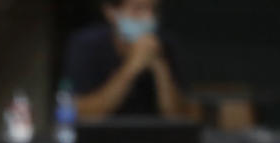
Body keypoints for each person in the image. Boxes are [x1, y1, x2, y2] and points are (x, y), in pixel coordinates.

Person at [64, 0, 192, 120]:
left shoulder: (166, 45)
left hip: (153, 138)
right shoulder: (87, 45)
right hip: (101, 139)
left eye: (154, 10)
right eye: (138, 9)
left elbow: (178, 117)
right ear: (111, 12)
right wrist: (132, 67)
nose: (148, 18)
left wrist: (160, 66)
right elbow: (83, 114)